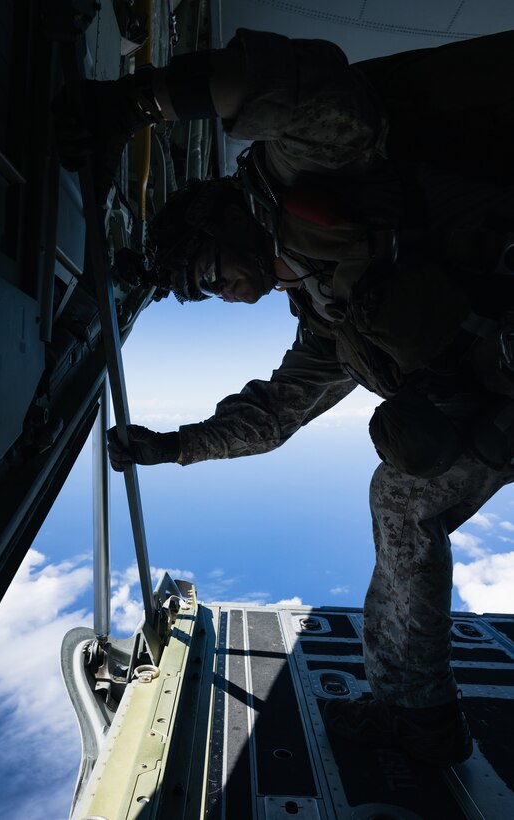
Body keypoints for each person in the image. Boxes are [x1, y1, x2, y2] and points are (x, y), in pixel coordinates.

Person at [60, 28, 514, 767]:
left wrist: (134, 103)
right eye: (207, 295)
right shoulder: (331, 312)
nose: (228, 296)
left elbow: (310, 88)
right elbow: (275, 411)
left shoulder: (303, 178)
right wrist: (174, 446)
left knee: (403, 488)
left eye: (209, 276)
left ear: (224, 221)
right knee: (402, 491)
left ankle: (413, 709)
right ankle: (417, 713)